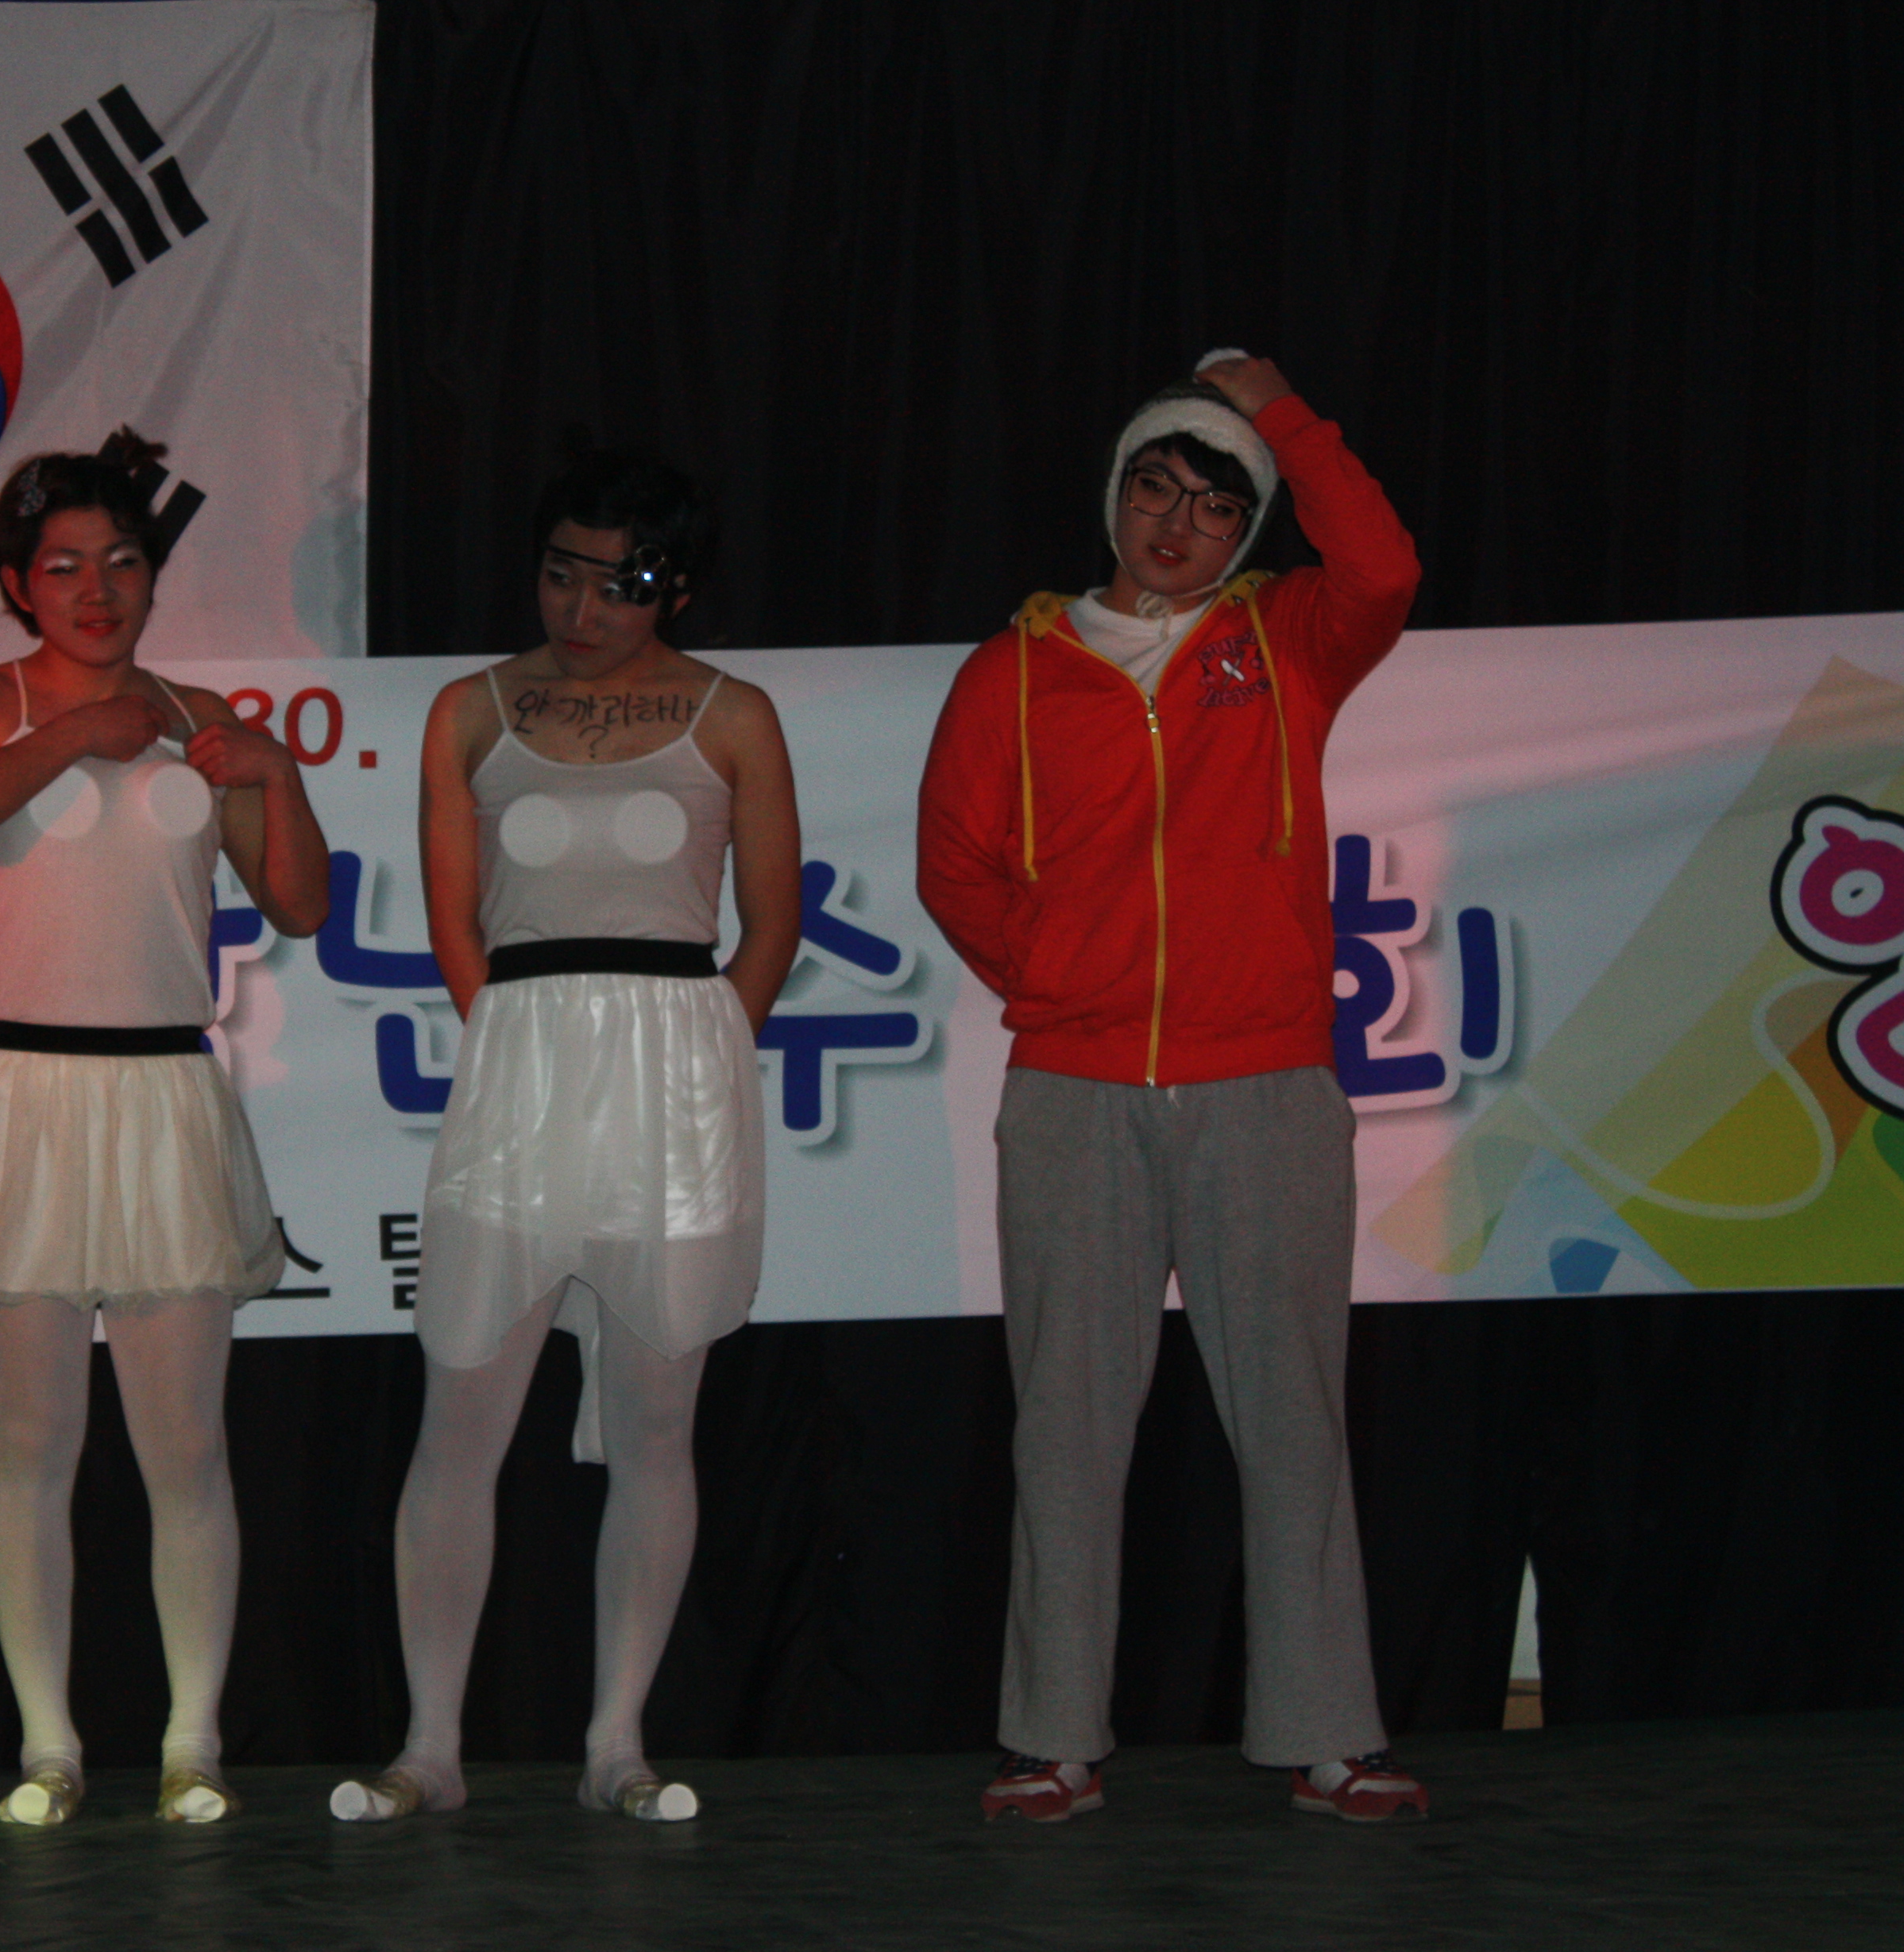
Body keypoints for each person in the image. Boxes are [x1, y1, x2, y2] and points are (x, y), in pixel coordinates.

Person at [915, 351, 1428, 1826]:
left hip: (1265, 1079)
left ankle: (1329, 1735)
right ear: (1114, 496)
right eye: (1156, 489)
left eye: (1215, 505)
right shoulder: (1012, 670)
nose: (1177, 525)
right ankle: (1052, 1738)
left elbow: (1386, 566)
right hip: (1074, 1090)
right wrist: (1061, 976)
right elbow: (956, 864)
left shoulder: (1288, 641)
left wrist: (1277, 410)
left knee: (1292, 1416)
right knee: (1066, 1423)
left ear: (1247, 531)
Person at [334, 450, 801, 1826]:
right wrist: (511, 1045)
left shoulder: (735, 714)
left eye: (619, 584)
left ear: (675, 589)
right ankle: (430, 1748)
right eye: (560, 574)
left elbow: (771, 923)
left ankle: (617, 1744)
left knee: (657, 1423)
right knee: (461, 1413)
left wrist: (706, 1053)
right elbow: (455, 923)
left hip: (674, 1074)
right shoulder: (471, 710)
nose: (583, 609)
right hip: (522, 1064)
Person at [0, 429, 330, 1828]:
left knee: (185, 1447)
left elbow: (301, 903)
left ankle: (193, 1743)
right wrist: (67, 738)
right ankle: (49, 1747)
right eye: (65, 567)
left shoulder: (197, 714)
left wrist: (275, 772)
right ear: (18, 584)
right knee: (32, 1444)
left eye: (123, 562)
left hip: (160, 1095)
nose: (98, 590)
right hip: (22, 1093)